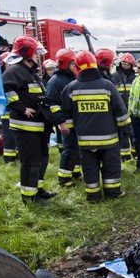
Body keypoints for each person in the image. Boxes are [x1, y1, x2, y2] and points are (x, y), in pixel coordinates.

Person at [3, 35, 69, 205]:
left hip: (39, 126)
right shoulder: (14, 70)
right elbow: (6, 90)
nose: (38, 56)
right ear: (26, 53)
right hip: (26, 127)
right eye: (35, 52)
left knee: (42, 159)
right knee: (31, 162)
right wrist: (21, 108)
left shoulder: (30, 72)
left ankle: (38, 191)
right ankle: (29, 197)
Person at [60, 50, 131, 203]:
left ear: (78, 67)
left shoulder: (71, 89)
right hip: (109, 140)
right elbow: (120, 111)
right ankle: (113, 193)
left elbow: (67, 116)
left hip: (85, 142)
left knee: (90, 169)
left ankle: (93, 197)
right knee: (111, 167)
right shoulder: (107, 85)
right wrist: (127, 131)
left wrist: (72, 136)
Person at [46, 48, 82, 187]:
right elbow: (53, 104)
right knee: (69, 150)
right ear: (65, 63)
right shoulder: (55, 81)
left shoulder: (71, 77)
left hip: (75, 121)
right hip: (66, 123)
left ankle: (75, 173)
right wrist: (61, 123)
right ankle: (64, 179)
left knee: (76, 149)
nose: (75, 66)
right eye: (73, 63)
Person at [112, 52, 136, 161]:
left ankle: (136, 153)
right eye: (123, 64)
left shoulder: (135, 77)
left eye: (128, 64)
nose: (125, 66)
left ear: (131, 65)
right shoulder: (115, 76)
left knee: (134, 133)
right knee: (123, 134)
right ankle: (125, 156)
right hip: (121, 110)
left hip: (132, 110)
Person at [0, 52, 18, 163]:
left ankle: (16, 155)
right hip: (7, 110)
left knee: (16, 134)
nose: (11, 65)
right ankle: (9, 158)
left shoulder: (14, 75)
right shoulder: (2, 77)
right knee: (9, 135)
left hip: (15, 109)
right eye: (8, 63)